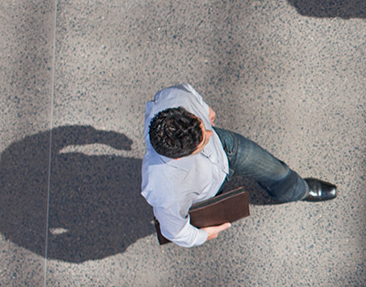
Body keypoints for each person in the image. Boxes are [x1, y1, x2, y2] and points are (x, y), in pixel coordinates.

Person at [141, 84, 336, 247]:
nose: (209, 134)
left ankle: (298, 190)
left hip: (227, 147)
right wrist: (205, 235)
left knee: (277, 171)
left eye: (202, 127)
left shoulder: (174, 96)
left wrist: (206, 116)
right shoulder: (163, 189)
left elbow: (206, 111)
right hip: (210, 190)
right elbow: (175, 231)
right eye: (202, 143)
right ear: (178, 158)